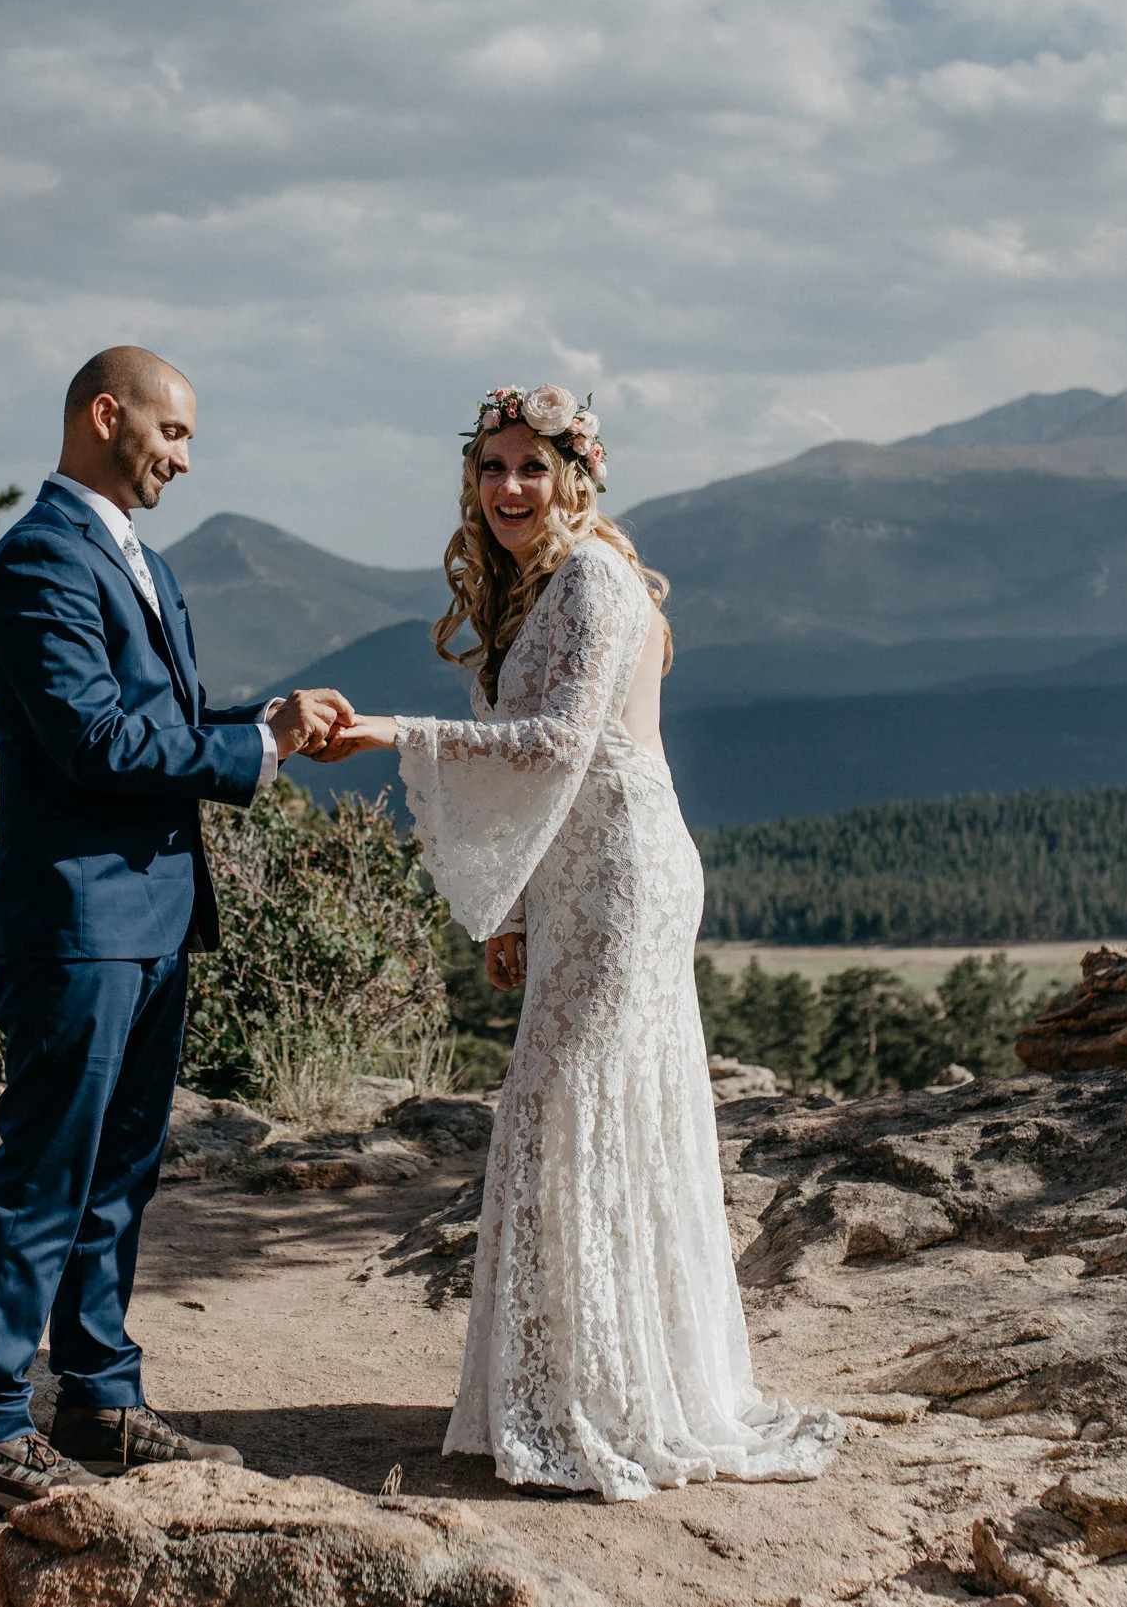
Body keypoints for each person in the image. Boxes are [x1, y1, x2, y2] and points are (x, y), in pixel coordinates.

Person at [314, 384, 845, 1501]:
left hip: (625, 874)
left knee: (574, 1109)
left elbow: (557, 739)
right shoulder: (528, 590)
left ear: (575, 477)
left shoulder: (596, 578)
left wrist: (392, 732)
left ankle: (606, 1395)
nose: (510, 488)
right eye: (492, 468)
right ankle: (581, 1382)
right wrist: (513, 909)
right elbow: (535, 757)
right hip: (573, 876)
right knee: (569, 1111)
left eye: (531, 468)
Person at [0, 345, 352, 1514]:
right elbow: (94, 743)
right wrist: (257, 751)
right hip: (77, 920)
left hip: (155, 917)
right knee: (45, 1171)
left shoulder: (146, 566)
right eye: (172, 432)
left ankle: (101, 1399)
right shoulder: (38, 561)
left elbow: (154, 718)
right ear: (104, 415)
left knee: (119, 1173)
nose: (181, 455)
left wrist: (258, 719)